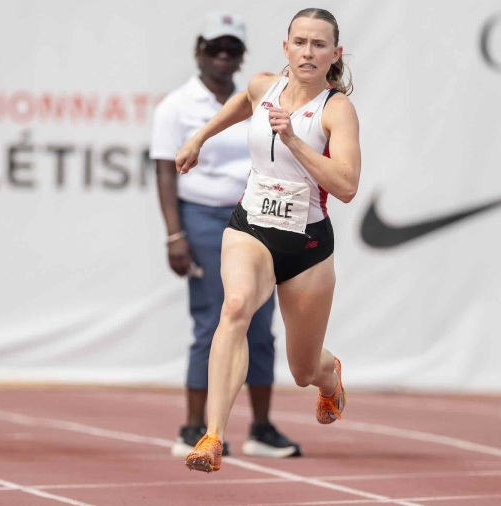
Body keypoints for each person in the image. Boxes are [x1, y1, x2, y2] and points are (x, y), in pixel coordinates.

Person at [175, 7, 360, 474]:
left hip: (308, 245)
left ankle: (328, 374)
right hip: (251, 226)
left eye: (319, 44)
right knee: (235, 307)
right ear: (286, 48)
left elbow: (346, 185)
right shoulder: (264, 86)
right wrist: (199, 138)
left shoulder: (336, 110)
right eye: (300, 42)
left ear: (334, 54)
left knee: (301, 371)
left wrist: (296, 141)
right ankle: (213, 435)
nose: (308, 52)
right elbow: (242, 104)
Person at [150, 12, 301, 461]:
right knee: (213, 318)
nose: (222, 56)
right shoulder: (176, 106)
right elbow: (164, 171)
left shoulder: (263, 99)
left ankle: (261, 426)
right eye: (215, 47)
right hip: (202, 216)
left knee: (260, 324)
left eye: (231, 49)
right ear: (198, 50)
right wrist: (174, 234)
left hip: (259, 217)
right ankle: (194, 426)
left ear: (242, 57)